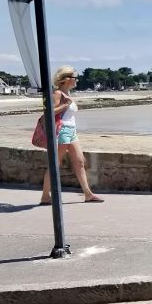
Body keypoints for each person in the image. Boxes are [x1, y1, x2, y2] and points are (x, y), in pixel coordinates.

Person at [39, 66, 104, 204]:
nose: (77, 80)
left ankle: (88, 194)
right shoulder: (57, 94)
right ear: (67, 79)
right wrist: (65, 105)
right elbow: (50, 112)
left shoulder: (68, 94)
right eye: (75, 78)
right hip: (62, 131)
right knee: (56, 164)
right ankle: (45, 196)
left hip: (72, 131)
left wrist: (68, 103)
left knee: (80, 162)